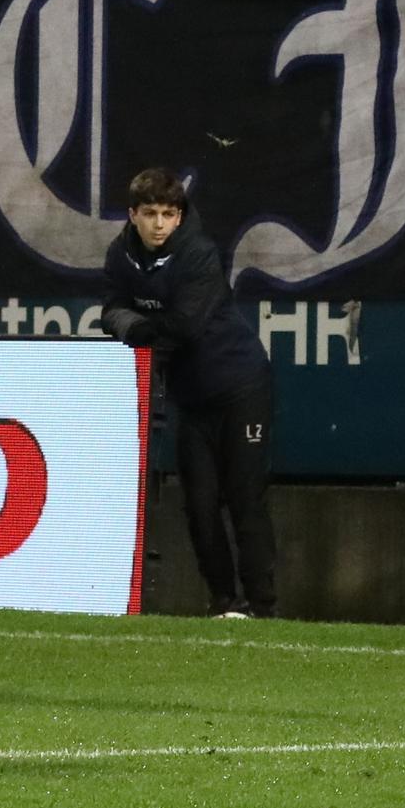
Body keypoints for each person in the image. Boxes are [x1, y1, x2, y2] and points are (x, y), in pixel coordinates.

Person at [101, 165, 278, 619]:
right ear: (132, 215)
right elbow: (111, 310)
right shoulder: (120, 256)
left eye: (168, 213)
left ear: (179, 217)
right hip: (192, 398)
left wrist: (135, 328)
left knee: (243, 497)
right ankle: (225, 601)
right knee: (198, 505)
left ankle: (262, 606)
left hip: (240, 385)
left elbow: (185, 328)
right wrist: (131, 324)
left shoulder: (199, 255)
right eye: (150, 214)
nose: (159, 224)